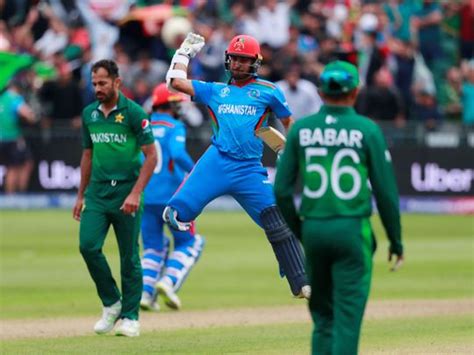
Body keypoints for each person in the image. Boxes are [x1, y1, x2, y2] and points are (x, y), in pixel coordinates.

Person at [163, 33, 310, 299]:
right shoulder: (215, 90)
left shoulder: (269, 91)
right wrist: (184, 53)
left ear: (255, 62)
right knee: (173, 215)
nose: (239, 64)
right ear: (228, 60)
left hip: (249, 169)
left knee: (279, 222)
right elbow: (176, 83)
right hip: (217, 160)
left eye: (245, 60)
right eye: (236, 59)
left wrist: (291, 148)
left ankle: (301, 282)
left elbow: (289, 122)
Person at [274, 60, 404, 354]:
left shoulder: (301, 130)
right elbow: (385, 193)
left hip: (315, 228)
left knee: (323, 319)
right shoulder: (366, 129)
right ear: (355, 92)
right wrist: (395, 240)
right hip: (352, 229)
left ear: (320, 93)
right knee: (347, 318)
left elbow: (281, 190)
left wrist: (301, 229)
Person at [72, 59, 157, 337]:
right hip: (97, 193)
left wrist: (135, 193)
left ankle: (131, 317)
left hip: (126, 192)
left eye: (102, 83)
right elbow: (87, 155)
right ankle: (112, 303)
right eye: (94, 83)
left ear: (117, 82)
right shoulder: (89, 114)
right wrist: (80, 195)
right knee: (88, 246)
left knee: (129, 256)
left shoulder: (133, 113)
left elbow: (151, 156)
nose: (97, 88)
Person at [140, 83, 205, 312]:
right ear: (168, 105)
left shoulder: (143, 127)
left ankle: (146, 294)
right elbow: (177, 154)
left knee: (152, 248)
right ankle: (168, 282)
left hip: (146, 197)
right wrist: (198, 171)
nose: (179, 108)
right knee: (190, 242)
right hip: (173, 199)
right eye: (176, 103)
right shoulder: (175, 126)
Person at [0, 80, 36, 193]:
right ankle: (15, 199)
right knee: (14, 168)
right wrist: (33, 116)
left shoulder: (2, 98)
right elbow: (28, 114)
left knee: (16, 166)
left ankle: (13, 198)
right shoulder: (15, 98)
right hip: (12, 138)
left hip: (2, 138)